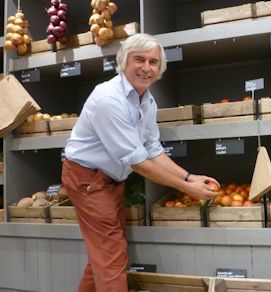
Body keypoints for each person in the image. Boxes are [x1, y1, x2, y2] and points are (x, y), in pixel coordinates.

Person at [61, 33, 220, 292]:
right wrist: (186, 188)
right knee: (112, 257)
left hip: (110, 180)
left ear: (160, 69)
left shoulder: (147, 101)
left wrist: (189, 177)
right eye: (139, 60)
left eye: (153, 62)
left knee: (102, 255)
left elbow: (152, 149)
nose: (146, 68)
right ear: (124, 61)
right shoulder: (108, 99)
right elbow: (138, 162)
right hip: (87, 179)